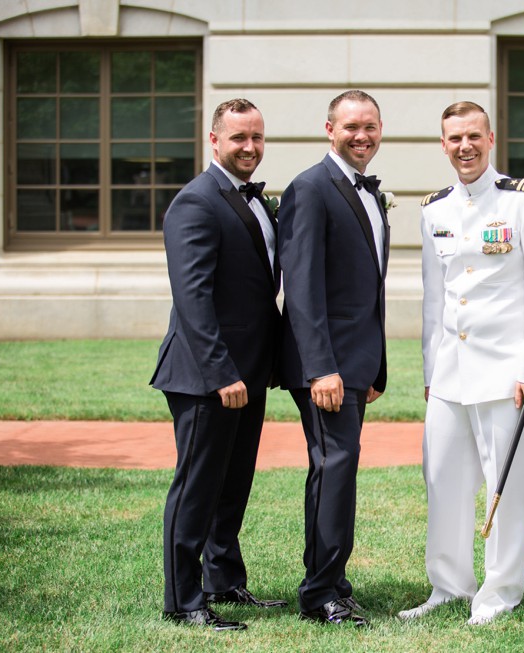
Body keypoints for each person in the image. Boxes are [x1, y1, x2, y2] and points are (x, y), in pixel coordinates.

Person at [399, 101, 524, 626]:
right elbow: (434, 300)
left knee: (506, 485)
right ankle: (448, 587)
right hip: (451, 371)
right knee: (442, 478)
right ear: (443, 144)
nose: (464, 147)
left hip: (507, 371)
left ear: (490, 138)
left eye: (473, 136)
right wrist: (431, 373)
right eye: (454, 139)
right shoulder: (435, 210)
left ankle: (499, 592)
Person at [151, 98, 287, 632]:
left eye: (256, 137)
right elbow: (193, 298)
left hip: (247, 372)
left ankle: (223, 581)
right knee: (197, 486)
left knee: (233, 483)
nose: (249, 147)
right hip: (206, 375)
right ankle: (184, 600)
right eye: (238, 139)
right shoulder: (195, 203)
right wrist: (220, 372)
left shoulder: (251, 200)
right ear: (215, 140)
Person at [278, 90, 389, 627]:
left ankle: (335, 582)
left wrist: (374, 368)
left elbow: (368, 289)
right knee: (333, 468)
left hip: (355, 364)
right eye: (350, 127)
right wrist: (322, 367)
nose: (361, 135)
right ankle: (320, 594)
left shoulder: (367, 191)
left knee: (340, 470)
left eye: (369, 126)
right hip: (324, 367)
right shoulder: (309, 188)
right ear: (329, 129)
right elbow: (300, 289)